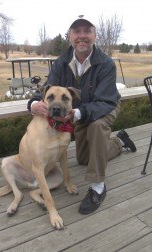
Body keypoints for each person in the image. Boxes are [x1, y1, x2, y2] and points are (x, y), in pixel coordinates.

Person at [27, 15, 136, 215]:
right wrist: (33, 103)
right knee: (84, 159)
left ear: (94, 35)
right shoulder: (61, 63)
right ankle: (119, 142)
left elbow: (105, 101)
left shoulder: (105, 63)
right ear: (70, 36)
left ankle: (98, 187)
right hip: (76, 112)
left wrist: (77, 113)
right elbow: (45, 90)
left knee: (97, 127)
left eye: (87, 31)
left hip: (105, 106)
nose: (82, 36)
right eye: (77, 31)